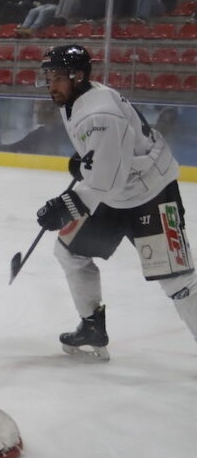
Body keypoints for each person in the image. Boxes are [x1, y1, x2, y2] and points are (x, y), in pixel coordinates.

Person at [33, 44, 196, 361]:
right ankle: (92, 326)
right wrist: (85, 163)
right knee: (69, 252)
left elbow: (105, 181)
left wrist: (63, 206)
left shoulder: (100, 113)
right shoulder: (80, 98)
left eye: (57, 76)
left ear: (78, 76)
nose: (50, 84)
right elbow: (105, 164)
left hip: (153, 193)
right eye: (48, 76)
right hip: (117, 194)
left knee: (177, 280)